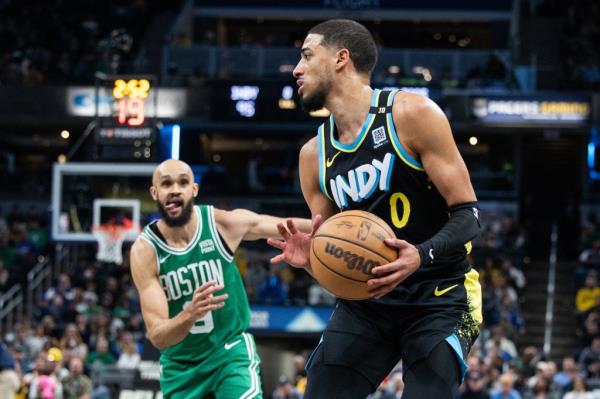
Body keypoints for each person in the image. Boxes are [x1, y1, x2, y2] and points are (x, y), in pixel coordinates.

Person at [268, 19, 483, 398]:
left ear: (341, 58)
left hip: (440, 295)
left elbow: (469, 216)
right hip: (367, 304)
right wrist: (314, 258)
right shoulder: (313, 156)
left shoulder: (412, 114)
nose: (296, 69)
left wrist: (419, 255)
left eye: (305, 55)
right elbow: (338, 252)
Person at [130, 159, 311, 399]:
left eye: (183, 182)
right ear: (155, 192)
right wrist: (189, 314)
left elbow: (278, 225)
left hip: (229, 352)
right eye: (166, 183)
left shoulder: (219, 224)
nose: (175, 189)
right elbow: (158, 335)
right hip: (180, 369)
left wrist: (331, 228)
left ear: (194, 190)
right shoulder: (145, 251)